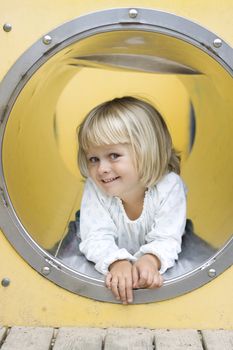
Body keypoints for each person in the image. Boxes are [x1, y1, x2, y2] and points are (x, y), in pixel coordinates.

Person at [77, 96, 186, 304]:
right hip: (99, 244)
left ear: (147, 151)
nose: (102, 169)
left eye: (114, 155)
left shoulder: (169, 186)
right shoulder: (95, 187)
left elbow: (168, 238)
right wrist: (116, 262)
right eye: (94, 159)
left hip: (159, 244)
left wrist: (151, 259)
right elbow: (94, 236)